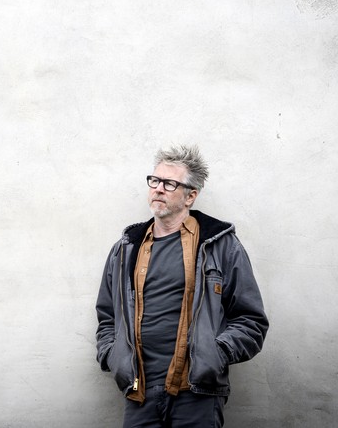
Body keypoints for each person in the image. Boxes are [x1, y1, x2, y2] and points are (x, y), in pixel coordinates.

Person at [95, 145, 268, 428]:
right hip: (139, 391)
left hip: (196, 391)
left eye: (169, 183)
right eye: (155, 181)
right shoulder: (126, 249)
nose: (158, 189)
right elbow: (107, 317)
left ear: (191, 196)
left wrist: (217, 353)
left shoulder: (219, 245)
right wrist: (113, 356)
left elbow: (251, 320)